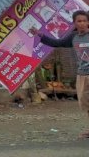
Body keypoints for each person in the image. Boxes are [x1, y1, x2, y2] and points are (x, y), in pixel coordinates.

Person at [32, 10, 89, 138]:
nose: (82, 23)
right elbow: (57, 43)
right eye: (79, 21)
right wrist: (40, 35)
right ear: (74, 23)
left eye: (85, 21)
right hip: (82, 75)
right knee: (86, 104)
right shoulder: (73, 38)